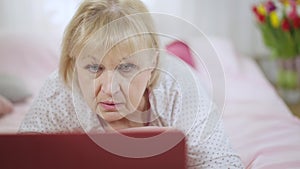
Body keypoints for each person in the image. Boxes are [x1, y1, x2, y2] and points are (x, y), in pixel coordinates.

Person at [19, 0, 244, 168]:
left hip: (177, 69)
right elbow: (19, 158)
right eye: (94, 68)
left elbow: (222, 162)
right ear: (73, 63)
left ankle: (179, 49)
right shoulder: (59, 91)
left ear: (153, 64)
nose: (109, 88)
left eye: (126, 68)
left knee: (180, 57)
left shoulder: (181, 88)